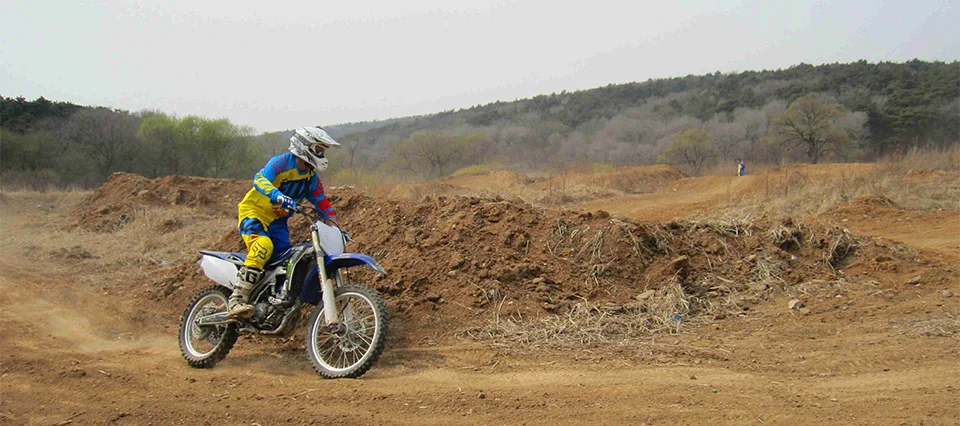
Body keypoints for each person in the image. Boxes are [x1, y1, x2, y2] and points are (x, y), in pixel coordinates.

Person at [227, 126, 340, 318]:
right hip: (254, 213)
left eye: (323, 151)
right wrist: (277, 195)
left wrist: (335, 227)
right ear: (305, 146)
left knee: (288, 261)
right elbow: (259, 179)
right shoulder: (281, 163)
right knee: (263, 246)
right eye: (319, 149)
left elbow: (323, 204)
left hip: (278, 222)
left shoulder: (311, 178)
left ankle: (272, 302)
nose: (322, 154)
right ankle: (237, 299)